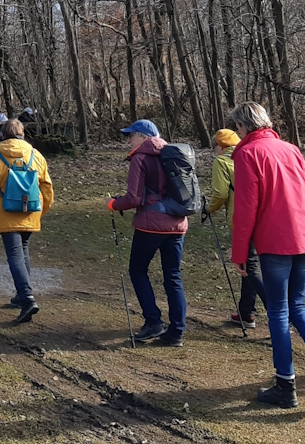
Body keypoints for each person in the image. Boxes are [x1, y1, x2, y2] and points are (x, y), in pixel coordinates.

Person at [229, 101, 305, 408]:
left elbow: (245, 209)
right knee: (298, 306)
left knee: (280, 311)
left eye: (237, 127)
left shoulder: (247, 153)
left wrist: (240, 253)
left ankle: (285, 384)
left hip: (277, 241)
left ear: (244, 126)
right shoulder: (291, 149)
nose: (236, 133)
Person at [107, 119, 187, 346]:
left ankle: (153, 321)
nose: (129, 140)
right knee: (173, 276)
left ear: (143, 136)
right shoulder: (173, 154)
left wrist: (112, 204)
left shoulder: (140, 158)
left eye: (131, 135)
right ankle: (177, 331)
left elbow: (133, 198)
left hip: (150, 224)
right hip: (178, 223)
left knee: (138, 270)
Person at [0, 119, 53, 323]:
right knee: (24, 250)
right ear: (22, 133)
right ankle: (21, 295)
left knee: (14, 254)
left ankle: (28, 298)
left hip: (6, 211)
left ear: (2, 135)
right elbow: (47, 188)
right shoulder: (35, 154)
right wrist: (41, 211)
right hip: (30, 210)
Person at [203, 127, 258, 328]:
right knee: (254, 266)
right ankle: (246, 312)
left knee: (248, 268)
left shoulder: (222, 161)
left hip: (240, 219)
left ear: (221, 146)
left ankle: (276, 315)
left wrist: (208, 209)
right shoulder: (250, 155)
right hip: (261, 218)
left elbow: (220, 194)